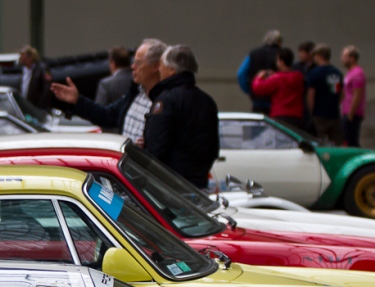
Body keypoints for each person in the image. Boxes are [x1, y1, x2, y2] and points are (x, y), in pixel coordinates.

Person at [50, 38, 168, 145]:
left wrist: (148, 150)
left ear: (156, 66)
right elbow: (107, 115)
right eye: (133, 61)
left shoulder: (166, 100)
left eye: (138, 62)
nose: (133, 66)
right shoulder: (136, 92)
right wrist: (77, 100)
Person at [142, 45, 219, 188]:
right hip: (198, 184)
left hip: (170, 185)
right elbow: (213, 149)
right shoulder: (207, 101)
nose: (159, 69)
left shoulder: (166, 100)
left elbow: (157, 149)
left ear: (172, 70)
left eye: (162, 65)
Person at [251, 47, 306, 130]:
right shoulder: (299, 77)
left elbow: (258, 88)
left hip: (280, 115)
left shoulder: (277, 79)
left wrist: (259, 77)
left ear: (281, 62)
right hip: (296, 116)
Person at [304, 45, 344, 144]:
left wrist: (310, 112)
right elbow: (341, 94)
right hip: (334, 114)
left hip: (319, 115)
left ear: (319, 56)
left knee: (318, 143)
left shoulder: (314, 73)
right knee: (336, 144)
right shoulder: (336, 73)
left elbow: (311, 96)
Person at [237, 30, 283, 114]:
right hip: (276, 103)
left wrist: (250, 89)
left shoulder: (253, 54)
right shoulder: (282, 55)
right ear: (279, 42)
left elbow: (241, 74)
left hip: (257, 101)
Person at [341, 45, 367, 147]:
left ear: (352, 58)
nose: (342, 59)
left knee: (352, 141)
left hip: (353, 113)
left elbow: (357, 95)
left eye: (344, 57)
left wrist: (350, 114)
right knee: (348, 140)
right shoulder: (350, 73)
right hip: (347, 111)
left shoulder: (357, 74)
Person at [18, 46, 54, 110]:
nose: (21, 59)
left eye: (24, 57)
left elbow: (47, 89)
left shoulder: (42, 69)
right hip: (25, 105)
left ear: (30, 57)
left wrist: (40, 105)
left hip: (37, 106)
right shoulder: (22, 70)